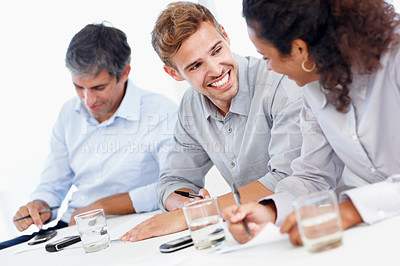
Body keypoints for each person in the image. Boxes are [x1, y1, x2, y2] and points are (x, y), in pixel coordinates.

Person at [120, 1, 303, 242]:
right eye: (196, 65)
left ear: (225, 35)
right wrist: (187, 203)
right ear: (174, 73)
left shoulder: (279, 82)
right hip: (254, 236)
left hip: (312, 221)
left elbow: (288, 178)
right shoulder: (191, 105)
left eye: (216, 50)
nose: (216, 70)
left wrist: (196, 214)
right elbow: (172, 181)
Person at [225, 0, 400, 245]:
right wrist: (269, 211)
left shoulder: (395, 58)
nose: (269, 68)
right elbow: (313, 175)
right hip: (376, 235)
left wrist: (349, 211)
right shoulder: (314, 82)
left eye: (266, 57)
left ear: (299, 49)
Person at [1, 23, 177, 249]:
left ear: (124, 72)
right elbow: (53, 183)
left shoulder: (161, 113)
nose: (88, 100)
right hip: (71, 228)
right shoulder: (69, 113)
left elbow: (176, 187)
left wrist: (104, 205)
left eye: (98, 87)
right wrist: (39, 205)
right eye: (78, 87)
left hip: (130, 226)